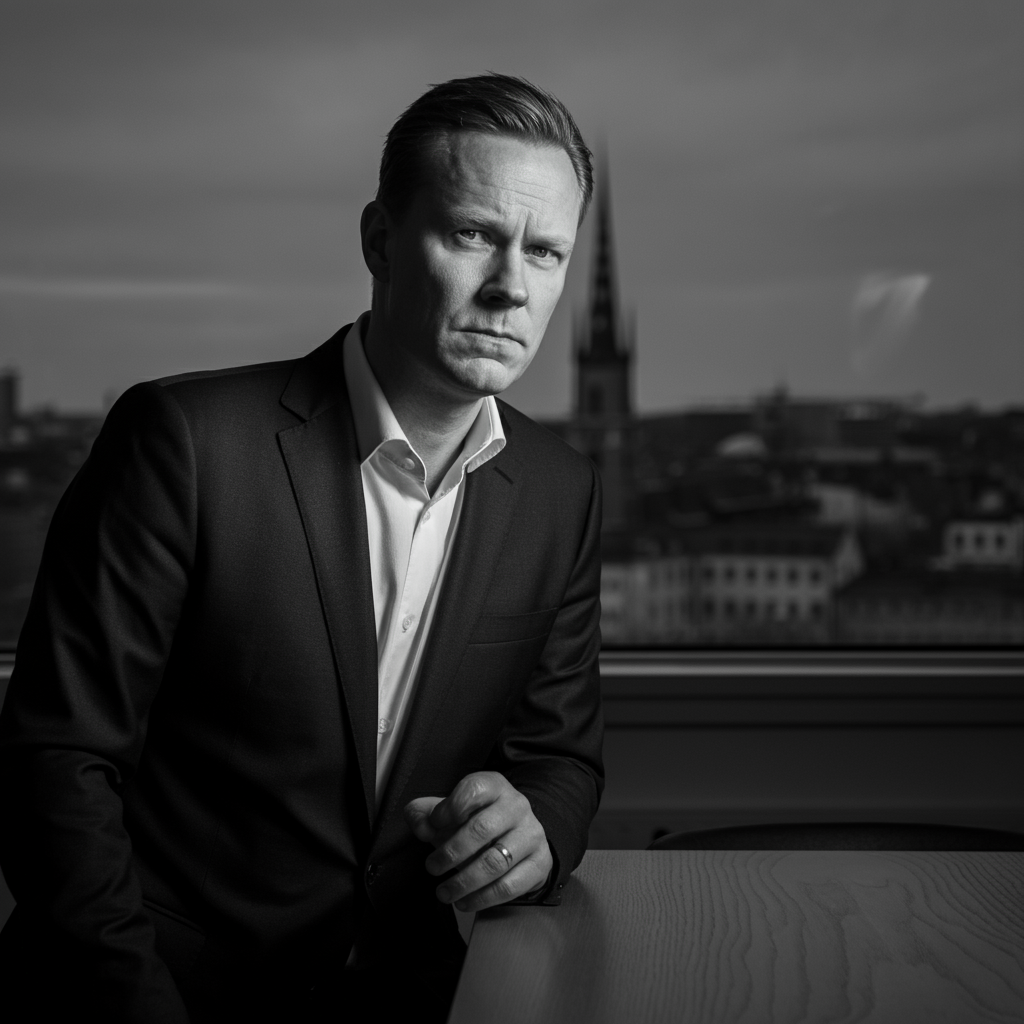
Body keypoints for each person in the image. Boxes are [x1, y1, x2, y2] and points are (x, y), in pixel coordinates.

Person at [0, 73, 604, 1022]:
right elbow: (56, 764)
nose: (511, 287)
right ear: (379, 241)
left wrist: (535, 832)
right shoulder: (184, 442)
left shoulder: (561, 493)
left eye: (545, 251)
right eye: (472, 234)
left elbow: (561, 761)